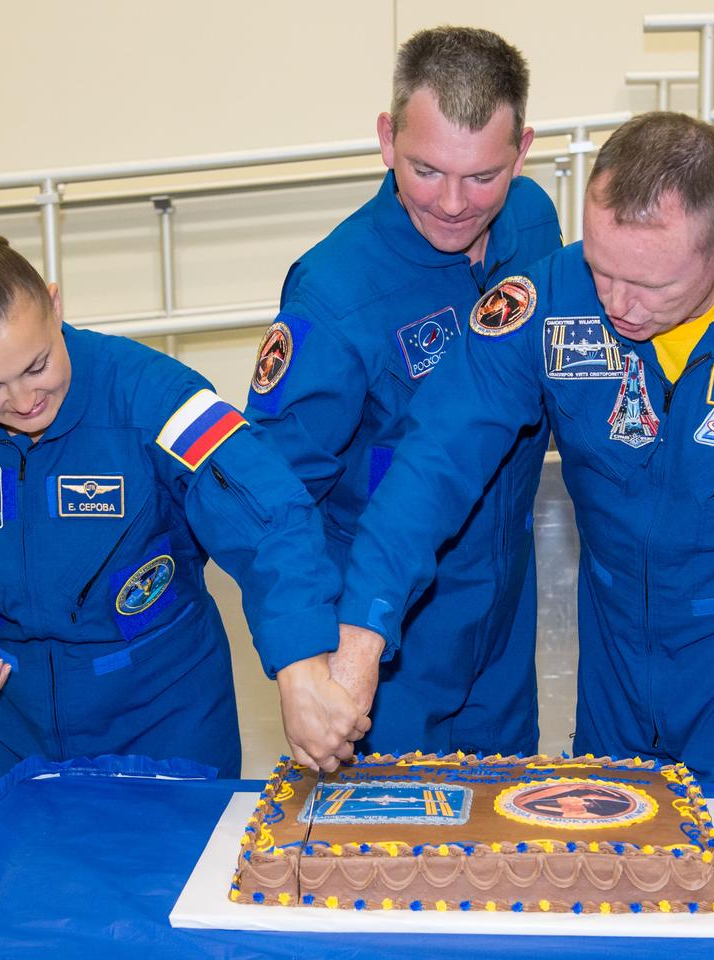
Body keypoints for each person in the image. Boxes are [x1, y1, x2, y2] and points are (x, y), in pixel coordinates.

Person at [338, 112, 714, 851]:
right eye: (601, 267)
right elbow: (432, 464)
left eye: (647, 283)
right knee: (606, 876)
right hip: (615, 673)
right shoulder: (545, 303)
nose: (616, 304)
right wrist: (361, 639)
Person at [0, 203, 367, 811]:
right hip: (8, 724)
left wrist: (300, 662)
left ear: (56, 306)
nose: (25, 399)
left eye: (37, 365)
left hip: (162, 713)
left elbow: (268, 510)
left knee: (165, 893)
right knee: (16, 896)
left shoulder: (153, 395)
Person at [244, 26, 561, 755]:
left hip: (502, 619)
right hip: (383, 635)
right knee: (384, 856)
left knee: (501, 842)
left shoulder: (534, 222)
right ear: (387, 138)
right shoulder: (334, 294)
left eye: (483, 176)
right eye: (425, 169)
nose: (453, 203)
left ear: (523, 149)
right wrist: (301, 655)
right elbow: (272, 495)